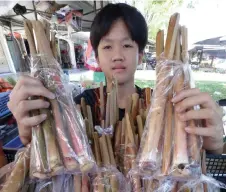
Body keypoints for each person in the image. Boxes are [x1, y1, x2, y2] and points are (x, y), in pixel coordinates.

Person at [7, 3, 224, 154]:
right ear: (97, 56)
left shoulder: (165, 107)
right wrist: (28, 136)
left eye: (127, 45)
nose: (118, 55)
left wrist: (214, 146)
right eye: (108, 46)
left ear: (140, 56)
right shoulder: (76, 107)